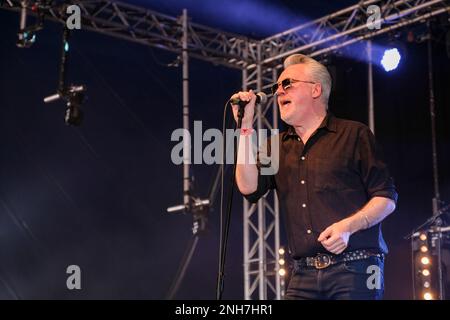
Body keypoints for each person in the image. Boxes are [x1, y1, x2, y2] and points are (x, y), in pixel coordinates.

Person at [230, 54, 398, 300]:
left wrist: (347, 227)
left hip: (357, 268)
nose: (278, 92)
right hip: (302, 274)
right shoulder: (274, 146)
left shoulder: (353, 134)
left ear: (316, 90)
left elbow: (386, 199)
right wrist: (245, 127)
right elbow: (247, 187)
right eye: (277, 87)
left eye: (287, 84)